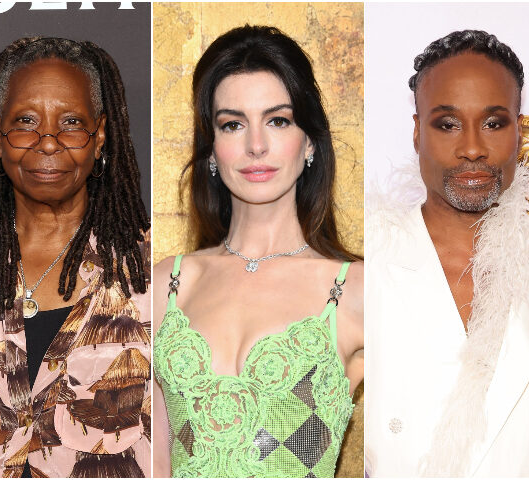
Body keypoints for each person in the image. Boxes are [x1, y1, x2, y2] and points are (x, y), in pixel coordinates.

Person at [153, 25, 364, 478]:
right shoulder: (167, 283)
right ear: (212, 147)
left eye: (278, 120)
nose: (255, 146)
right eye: (233, 124)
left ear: (308, 141)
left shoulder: (357, 289)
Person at [364, 30, 529, 477]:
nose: (473, 148)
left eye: (495, 122)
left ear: (520, 130)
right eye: (448, 123)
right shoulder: (368, 265)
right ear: (417, 131)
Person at [0, 37, 151, 478]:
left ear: (101, 134)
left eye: (71, 122)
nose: (48, 143)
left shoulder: (152, 274)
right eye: (26, 122)